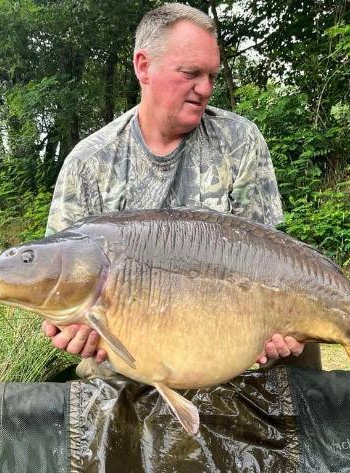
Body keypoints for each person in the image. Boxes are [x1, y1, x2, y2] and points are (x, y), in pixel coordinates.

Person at [41, 2, 321, 369]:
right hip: (131, 347)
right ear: (144, 66)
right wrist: (69, 328)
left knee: (303, 341)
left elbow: (268, 260)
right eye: (191, 73)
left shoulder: (239, 140)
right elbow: (57, 280)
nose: (204, 89)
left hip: (230, 335)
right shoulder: (89, 162)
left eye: (212, 76)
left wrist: (277, 328)